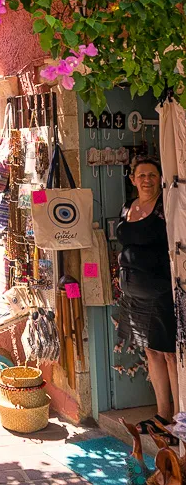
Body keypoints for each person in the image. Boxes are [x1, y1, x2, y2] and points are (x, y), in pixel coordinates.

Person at [117, 155, 178, 438]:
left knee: (169, 354)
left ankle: (180, 418)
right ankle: (162, 414)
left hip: (159, 291)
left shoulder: (166, 208)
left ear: (159, 178)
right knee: (151, 352)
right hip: (134, 294)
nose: (146, 179)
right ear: (132, 179)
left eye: (152, 175)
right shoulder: (127, 207)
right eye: (141, 175)